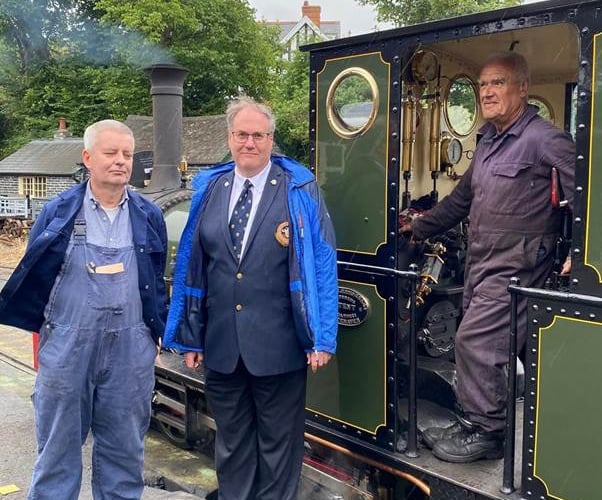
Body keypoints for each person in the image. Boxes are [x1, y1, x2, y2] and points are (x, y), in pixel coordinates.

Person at [402, 52, 575, 463]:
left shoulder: (547, 140)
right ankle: (472, 419)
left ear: (522, 88)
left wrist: (581, 255)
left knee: (476, 342)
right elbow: (461, 200)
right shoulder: (488, 143)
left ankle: (487, 433)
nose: (487, 92)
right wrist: (419, 226)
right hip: (483, 262)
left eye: (497, 83)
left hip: (520, 265)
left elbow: (586, 198)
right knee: (482, 344)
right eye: (482, 86)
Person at [163, 96, 338, 499]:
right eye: (242, 134)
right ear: (229, 137)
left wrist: (322, 337)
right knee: (232, 445)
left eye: (258, 135)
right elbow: (194, 267)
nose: (249, 142)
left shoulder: (298, 188)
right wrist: (191, 336)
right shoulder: (210, 189)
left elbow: (324, 262)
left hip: (280, 347)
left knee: (279, 450)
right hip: (222, 347)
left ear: (271, 139)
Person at [0, 120, 168, 498]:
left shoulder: (148, 215)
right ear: (88, 158)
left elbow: (155, 280)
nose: (121, 162)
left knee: (125, 454)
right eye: (111, 153)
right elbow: (36, 274)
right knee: (57, 452)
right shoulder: (58, 212)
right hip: (67, 345)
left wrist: (154, 332)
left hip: (130, 349)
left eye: (127, 154)